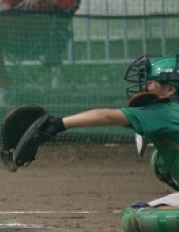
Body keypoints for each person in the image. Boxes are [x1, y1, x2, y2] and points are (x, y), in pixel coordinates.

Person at [31, 54, 179, 232]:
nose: (145, 87)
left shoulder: (163, 111)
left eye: (151, 82)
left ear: (170, 89)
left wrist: (56, 125)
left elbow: (106, 116)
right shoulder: (170, 111)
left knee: (136, 217)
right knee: (159, 161)